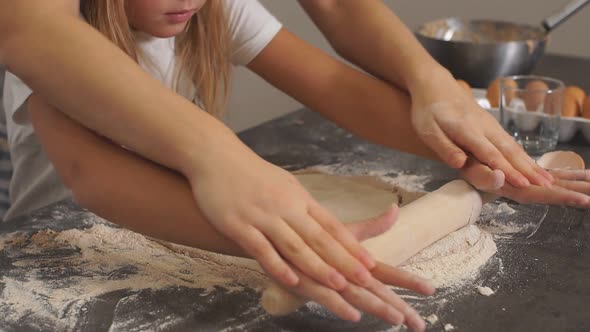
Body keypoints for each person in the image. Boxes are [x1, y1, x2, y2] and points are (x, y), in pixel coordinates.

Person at [1, 0, 589, 329]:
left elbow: (339, 88)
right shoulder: (65, 40)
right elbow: (94, 179)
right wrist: (287, 247)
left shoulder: (212, 13)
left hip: (181, 220)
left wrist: (474, 151)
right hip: (57, 245)